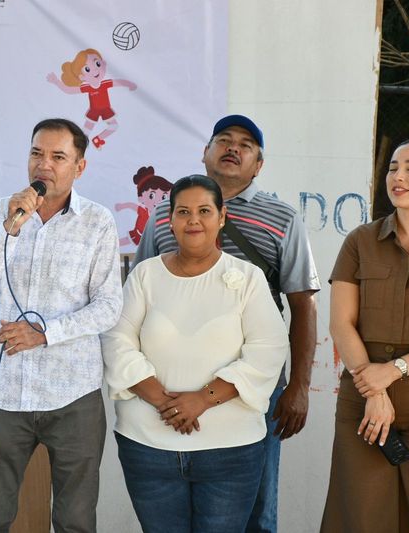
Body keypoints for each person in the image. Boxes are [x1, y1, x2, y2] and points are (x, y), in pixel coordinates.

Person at [134, 115, 320, 532]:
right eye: (224, 140)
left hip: (251, 388)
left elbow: (303, 307)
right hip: (169, 392)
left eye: (246, 144)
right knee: (173, 514)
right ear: (205, 153)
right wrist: (145, 385)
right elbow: (135, 299)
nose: (233, 147)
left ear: (258, 164)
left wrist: (299, 387)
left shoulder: (283, 219)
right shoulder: (165, 215)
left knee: (255, 512)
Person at [103, 175, 288, 532]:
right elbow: (116, 339)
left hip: (230, 451)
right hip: (148, 447)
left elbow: (269, 349)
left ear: (221, 218)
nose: (193, 220)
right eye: (183, 211)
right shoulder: (145, 275)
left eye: (204, 210)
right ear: (169, 219)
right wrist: (165, 402)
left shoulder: (247, 278)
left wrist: (202, 399)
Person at [0, 118, 122, 532]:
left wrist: (46, 333)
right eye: (36, 153)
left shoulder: (98, 222)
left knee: (74, 521)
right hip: (7, 390)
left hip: (73, 394)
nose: (44, 165)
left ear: (79, 167)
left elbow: (108, 307)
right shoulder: (3, 211)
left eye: (57, 157)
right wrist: (11, 228)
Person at [320, 137, 409, 530]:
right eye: (394, 167)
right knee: (361, 518)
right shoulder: (361, 240)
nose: (399, 176)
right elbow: (341, 323)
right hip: (363, 401)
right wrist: (375, 391)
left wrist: (394, 370)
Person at [46, 49, 137, 149]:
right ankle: (76, 149)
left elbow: (118, 82)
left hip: (106, 110)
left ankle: (98, 139)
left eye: (97, 64)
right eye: (87, 69)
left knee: (113, 126)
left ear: (104, 64)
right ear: (81, 77)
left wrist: (130, 84)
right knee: (85, 132)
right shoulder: (87, 88)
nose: (95, 70)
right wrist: (56, 81)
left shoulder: (104, 84)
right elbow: (69, 90)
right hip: (94, 111)